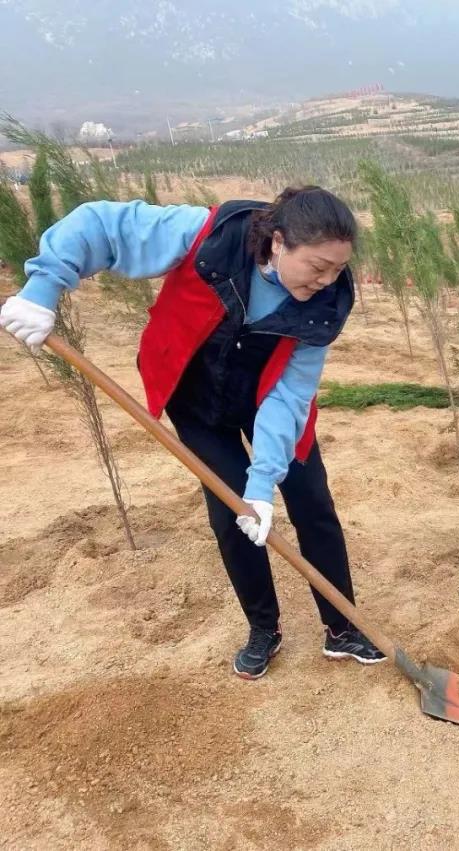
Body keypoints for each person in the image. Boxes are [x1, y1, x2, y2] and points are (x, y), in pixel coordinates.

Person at [1, 186, 386, 680]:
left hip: (270, 394)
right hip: (197, 394)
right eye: (318, 266)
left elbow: (288, 397)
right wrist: (43, 287)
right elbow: (100, 224)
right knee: (231, 511)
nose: (328, 279)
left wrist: (264, 480)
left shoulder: (325, 303)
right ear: (277, 242)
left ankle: (342, 627)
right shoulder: (208, 236)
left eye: (338, 268)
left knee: (311, 500)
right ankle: (263, 629)